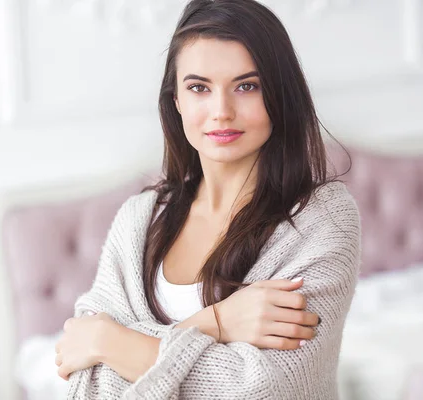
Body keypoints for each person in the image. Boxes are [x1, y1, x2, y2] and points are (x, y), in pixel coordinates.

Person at [54, 0, 360, 398]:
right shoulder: (139, 221)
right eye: (199, 88)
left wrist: (110, 342)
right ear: (177, 101)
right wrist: (216, 322)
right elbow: (84, 380)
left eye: (246, 86)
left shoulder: (320, 220)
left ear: (279, 97)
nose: (222, 111)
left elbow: (265, 389)